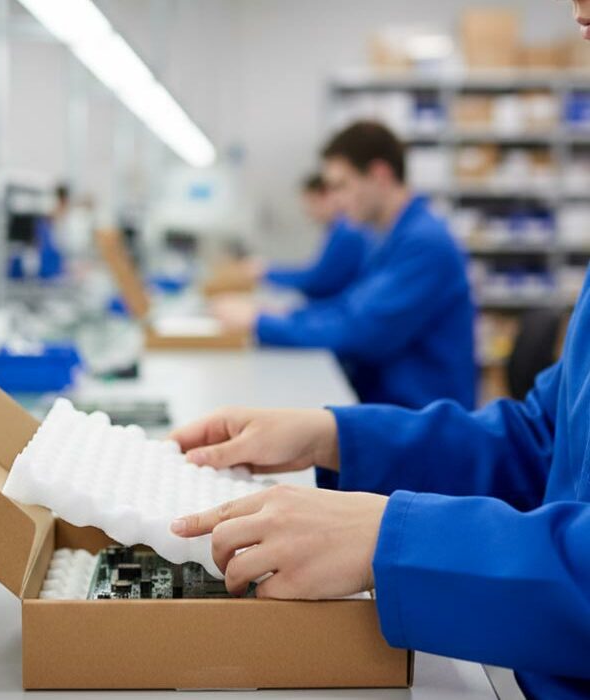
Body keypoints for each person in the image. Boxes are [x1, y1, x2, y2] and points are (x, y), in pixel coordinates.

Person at [165, 6, 590, 697]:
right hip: (528, 648)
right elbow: (545, 445)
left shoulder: (419, 242)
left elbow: (357, 328)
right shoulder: (391, 238)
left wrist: (393, 537)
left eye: (341, 184)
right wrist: (334, 434)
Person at [213, 122, 476, 411]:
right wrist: (281, 315)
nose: (335, 201)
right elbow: (349, 307)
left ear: (380, 176)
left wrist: (260, 322)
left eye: (341, 186)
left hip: (421, 419)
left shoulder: (425, 243)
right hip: (391, 406)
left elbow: (362, 331)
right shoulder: (384, 236)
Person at [256, 173, 372, 300]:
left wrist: (268, 273)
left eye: (311, 203)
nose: (308, 211)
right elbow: (317, 274)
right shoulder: (339, 229)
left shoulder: (348, 231)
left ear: (327, 196)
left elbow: (318, 280)